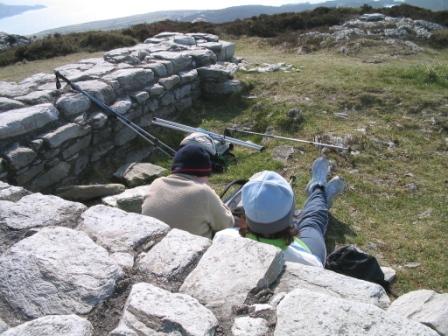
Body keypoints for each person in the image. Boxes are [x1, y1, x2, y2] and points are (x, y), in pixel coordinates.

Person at [220, 157, 345, 267]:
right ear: (291, 214)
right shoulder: (310, 262)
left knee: (313, 219)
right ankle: (318, 189)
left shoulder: (223, 237)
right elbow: (315, 266)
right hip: (305, 248)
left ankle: (320, 192)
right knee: (313, 220)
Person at [141, 144, 234, 239]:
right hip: (192, 250)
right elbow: (227, 224)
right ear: (204, 173)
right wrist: (212, 194)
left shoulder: (156, 183)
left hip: (153, 246)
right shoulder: (202, 192)